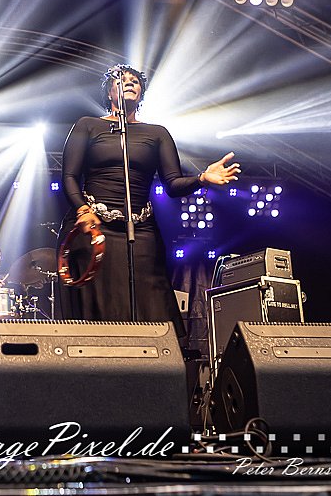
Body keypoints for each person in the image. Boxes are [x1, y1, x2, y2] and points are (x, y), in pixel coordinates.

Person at [58, 64, 241, 337]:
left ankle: (156, 372)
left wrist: (202, 178)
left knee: (152, 303)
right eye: (122, 80)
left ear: (141, 92)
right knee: (101, 305)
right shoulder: (88, 125)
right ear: (109, 92)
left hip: (140, 230)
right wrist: (83, 211)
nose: (129, 83)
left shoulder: (157, 133)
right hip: (94, 225)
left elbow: (173, 184)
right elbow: (69, 175)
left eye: (135, 81)